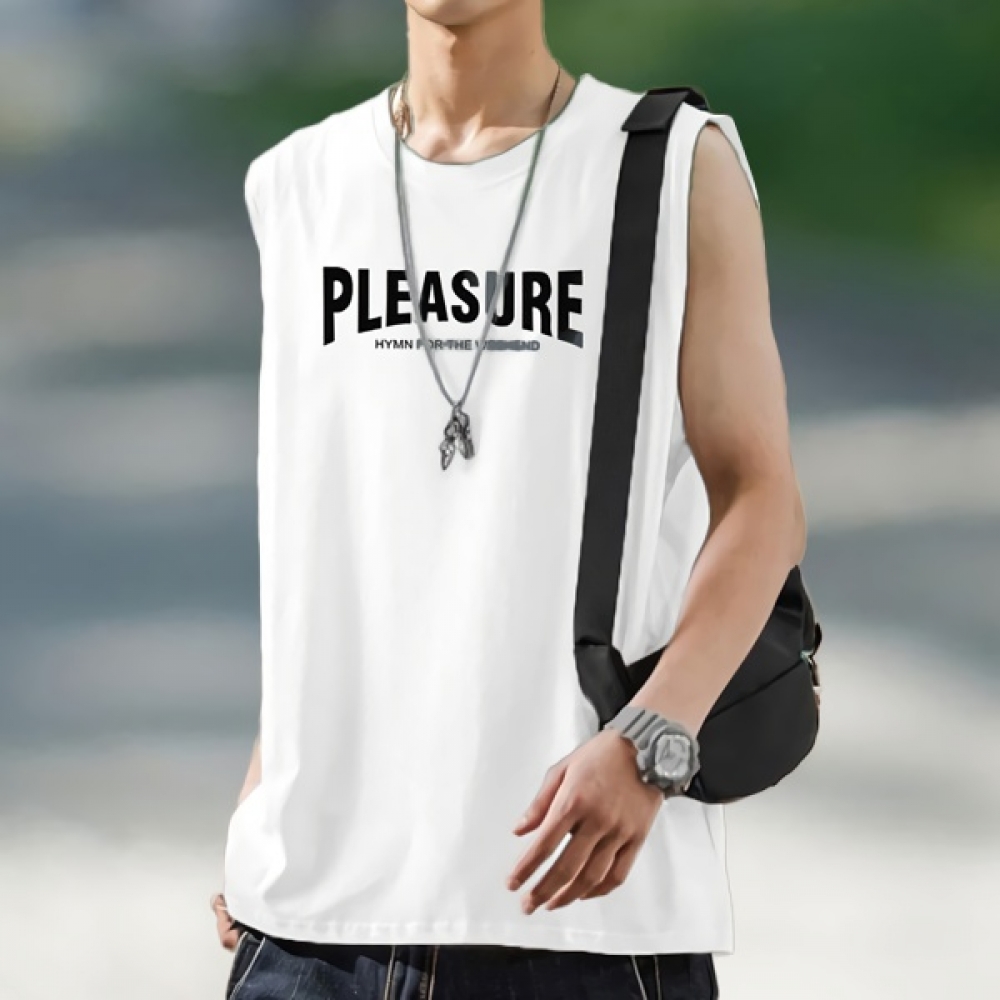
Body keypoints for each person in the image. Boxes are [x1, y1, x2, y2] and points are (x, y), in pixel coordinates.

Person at [210, 1, 807, 997]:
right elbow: (338, 527)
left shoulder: (667, 167)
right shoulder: (298, 182)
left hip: (586, 916)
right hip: (315, 930)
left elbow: (762, 496)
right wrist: (267, 795)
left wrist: (652, 740)